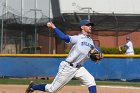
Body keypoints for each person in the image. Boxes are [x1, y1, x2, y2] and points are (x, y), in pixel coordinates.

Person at [26, 19, 101, 93]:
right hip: (68, 67)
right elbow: (64, 37)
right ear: (82, 27)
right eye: (88, 25)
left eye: (91, 25)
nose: (90, 26)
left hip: (79, 68)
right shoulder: (78, 38)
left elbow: (94, 53)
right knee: (52, 89)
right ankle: (32, 87)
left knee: (91, 80)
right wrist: (54, 27)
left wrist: (97, 55)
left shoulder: (91, 41)